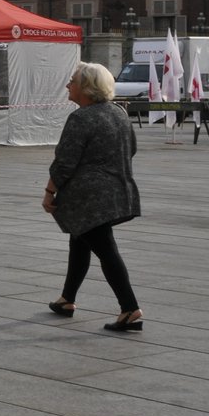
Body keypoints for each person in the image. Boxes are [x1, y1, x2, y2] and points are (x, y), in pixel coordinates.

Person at [43, 61, 144, 331]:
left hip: (89, 199)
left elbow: (64, 161)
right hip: (118, 191)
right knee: (79, 239)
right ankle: (67, 299)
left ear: (86, 88)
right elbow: (131, 148)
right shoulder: (119, 112)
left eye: (72, 81)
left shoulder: (81, 118)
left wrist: (49, 191)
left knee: (105, 249)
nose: (68, 85)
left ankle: (130, 308)